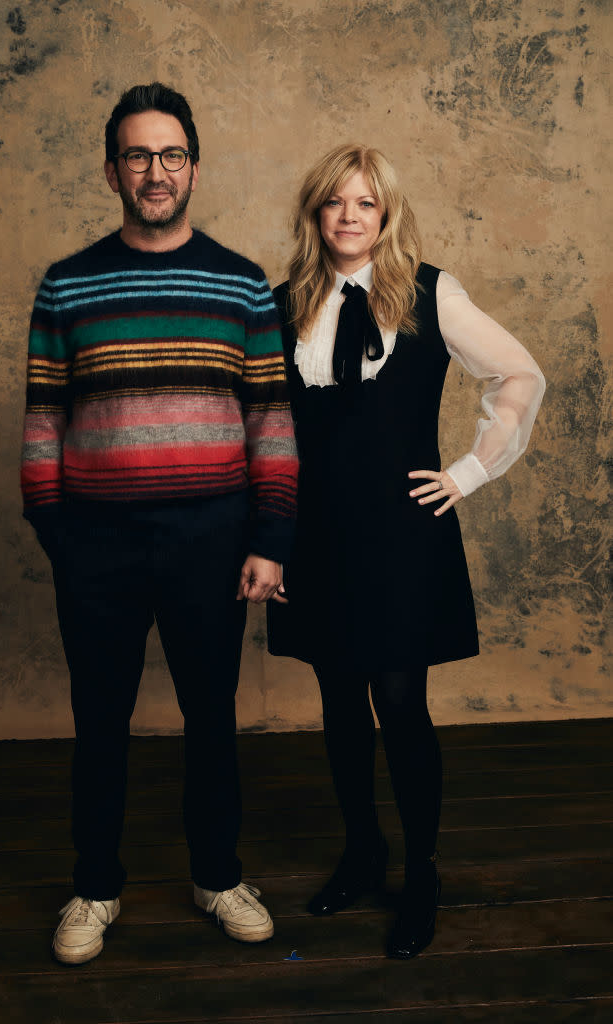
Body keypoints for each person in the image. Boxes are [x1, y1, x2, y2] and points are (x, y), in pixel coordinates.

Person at [20, 82, 298, 964]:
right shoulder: (67, 284)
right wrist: (59, 536)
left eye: (170, 154)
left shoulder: (241, 283)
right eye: (137, 155)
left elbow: (270, 422)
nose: (155, 170)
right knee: (98, 719)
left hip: (211, 540)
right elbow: (41, 423)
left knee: (209, 714)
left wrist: (267, 537)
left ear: (193, 167)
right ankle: (95, 886)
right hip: (95, 541)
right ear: (112, 171)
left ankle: (216, 874)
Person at [268, 143, 545, 960]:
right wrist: (270, 538)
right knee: (339, 706)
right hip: (316, 533)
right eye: (333, 204)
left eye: (364, 204)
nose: (348, 218)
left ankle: (418, 873)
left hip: (400, 531)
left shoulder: (428, 291)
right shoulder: (284, 304)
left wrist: (466, 471)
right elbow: (267, 432)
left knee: (399, 702)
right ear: (314, 215)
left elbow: (517, 376)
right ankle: (362, 854)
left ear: (384, 214)